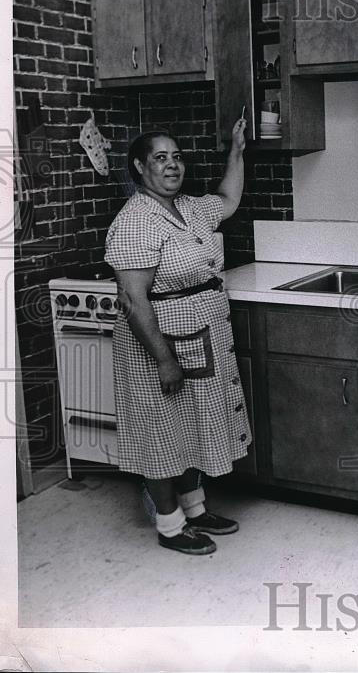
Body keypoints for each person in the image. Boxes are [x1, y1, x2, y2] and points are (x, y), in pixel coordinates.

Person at [105, 119, 249, 555]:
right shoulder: (136, 221)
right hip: (157, 343)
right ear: (140, 167)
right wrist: (165, 359)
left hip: (196, 334)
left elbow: (227, 199)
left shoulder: (188, 207)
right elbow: (133, 301)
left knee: (189, 429)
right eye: (160, 158)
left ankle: (195, 509)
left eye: (177, 156)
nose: (172, 165)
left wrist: (236, 150)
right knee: (161, 434)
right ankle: (170, 527)